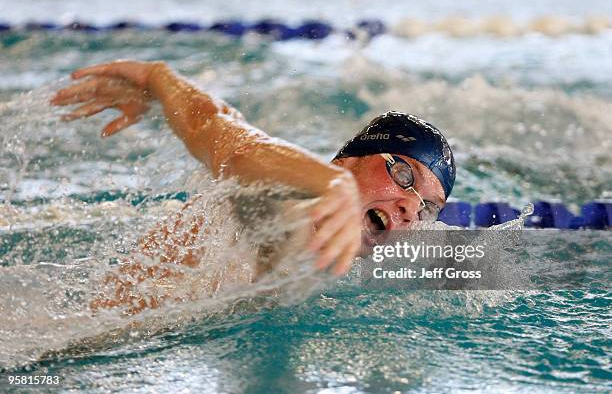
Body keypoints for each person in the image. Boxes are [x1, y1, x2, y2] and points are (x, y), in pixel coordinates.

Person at [51, 60, 455, 314]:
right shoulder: (289, 203)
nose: (409, 207)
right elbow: (235, 149)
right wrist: (331, 185)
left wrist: (159, 86)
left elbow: (219, 114)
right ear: (346, 162)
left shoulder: (352, 258)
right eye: (404, 176)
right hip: (57, 344)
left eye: (428, 208)